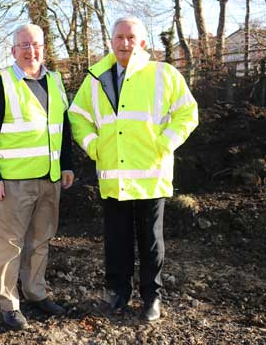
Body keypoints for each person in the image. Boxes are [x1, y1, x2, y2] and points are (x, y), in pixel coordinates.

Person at [68, 16, 198, 322]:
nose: (124, 43)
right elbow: (77, 116)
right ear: (111, 42)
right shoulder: (96, 77)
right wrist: (94, 146)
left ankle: (152, 297)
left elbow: (187, 113)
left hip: (151, 175)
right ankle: (117, 294)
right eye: (119, 38)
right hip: (114, 176)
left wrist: (165, 143)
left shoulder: (163, 74)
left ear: (142, 43)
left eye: (130, 38)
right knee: (117, 240)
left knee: (151, 241)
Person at [0, 23, 75, 331]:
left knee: (40, 240)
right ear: (13, 50)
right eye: (24, 45)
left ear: (44, 48)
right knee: (9, 245)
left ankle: (35, 292)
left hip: (50, 178)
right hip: (12, 182)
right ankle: (10, 304)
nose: (31, 51)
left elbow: (64, 128)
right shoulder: (1, 84)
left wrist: (68, 164)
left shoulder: (55, 81)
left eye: (37, 45)